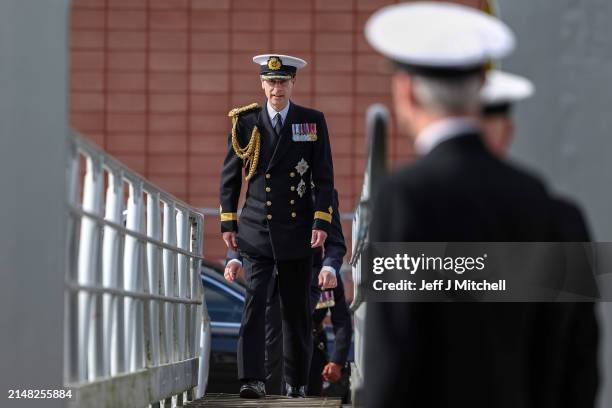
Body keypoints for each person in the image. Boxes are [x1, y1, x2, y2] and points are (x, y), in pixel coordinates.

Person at [363, 3, 598, 408]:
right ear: (482, 88)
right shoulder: (555, 211)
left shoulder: (403, 200)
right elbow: (582, 368)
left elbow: (391, 363)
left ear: (405, 91)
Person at [219, 54, 335, 398]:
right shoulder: (246, 122)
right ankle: (251, 380)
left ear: (292, 84)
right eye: (271, 82)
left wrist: (321, 221)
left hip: (298, 231)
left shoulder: (311, 122)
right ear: (262, 84)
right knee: (253, 306)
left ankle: (296, 382)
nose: (276, 88)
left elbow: (324, 177)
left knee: (297, 311)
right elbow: (230, 177)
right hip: (256, 230)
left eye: (283, 81)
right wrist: (228, 221)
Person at [224, 189, 349, 396]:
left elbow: (335, 240)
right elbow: (252, 224)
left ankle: (296, 389)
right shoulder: (266, 180)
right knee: (273, 342)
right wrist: (234, 257)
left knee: (294, 327)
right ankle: (275, 395)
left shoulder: (321, 191)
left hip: (307, 274)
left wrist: (329, 267)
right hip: (270, 273)